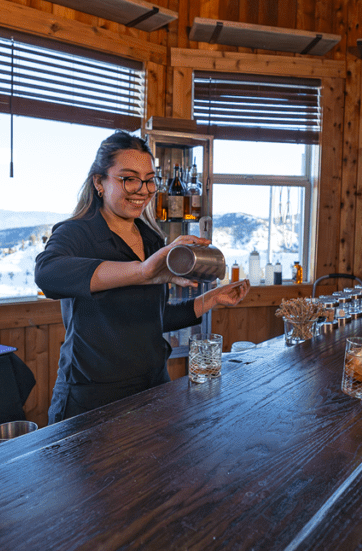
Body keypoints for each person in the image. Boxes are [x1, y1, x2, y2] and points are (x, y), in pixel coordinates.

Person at [35, 131, 250, 424]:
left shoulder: (150, 238)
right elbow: (47, 274)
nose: (142, 190)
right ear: (99, 182)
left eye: (149, 180)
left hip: (153, 387)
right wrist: (143, 271)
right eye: (129, 178)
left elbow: (155, 318)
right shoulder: (77, 233)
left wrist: (210, 299)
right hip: (93, 397)